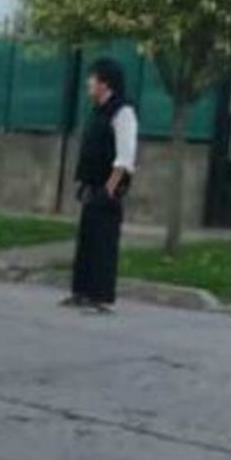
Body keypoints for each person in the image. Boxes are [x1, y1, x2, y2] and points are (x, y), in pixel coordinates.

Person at [65, 57, 138, 313]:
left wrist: (110, 188)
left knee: (104, 242)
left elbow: (125, 155)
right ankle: (81, 290)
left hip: (108, 186)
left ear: (105, 83)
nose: (88, 83)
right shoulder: (98, 110)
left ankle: (100, 294)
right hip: (92, 183)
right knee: (87, 239)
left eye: (93, 78)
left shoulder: (123, 111)